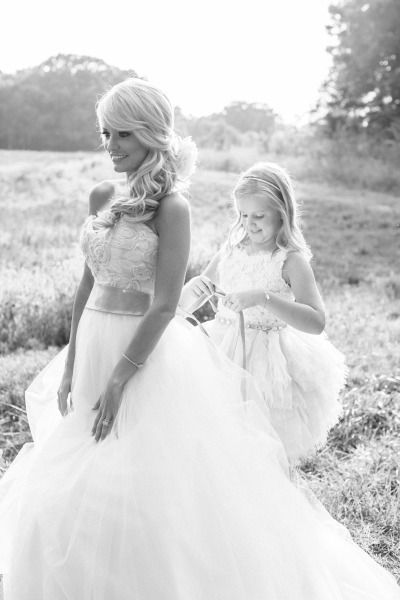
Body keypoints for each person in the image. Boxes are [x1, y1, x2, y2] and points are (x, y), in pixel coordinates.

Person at [0, 78, 399, 600]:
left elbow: (165, 303)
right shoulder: (102, 195)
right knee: (79, 463)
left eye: (123, 133)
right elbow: (86, 285)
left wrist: (122, 374)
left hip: (142, 351)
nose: (111, 145)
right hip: (94, 339)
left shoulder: (173, 208)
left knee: (142, 473)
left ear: (150, 134)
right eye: (105, 133)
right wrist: (73, 361)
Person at [180, 161, 346, 467]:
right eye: (243, 215)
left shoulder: (291, 260)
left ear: (282, 214)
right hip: (223, 347)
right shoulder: (231, 249)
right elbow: (193, 299)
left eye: (259, 216)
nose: (249, 223)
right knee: (219, 434)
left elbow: (316, 320)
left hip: (269, 360)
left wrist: (263, 298)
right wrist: (194, 288)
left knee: (262, 445)